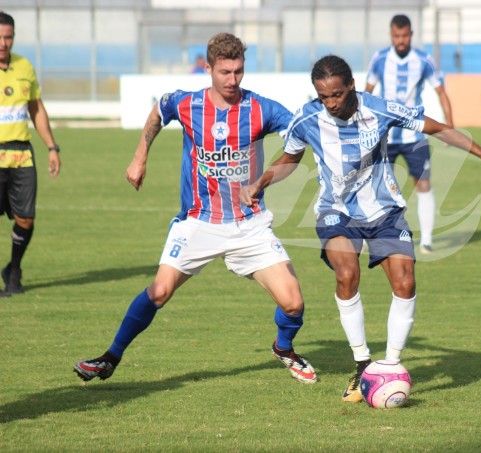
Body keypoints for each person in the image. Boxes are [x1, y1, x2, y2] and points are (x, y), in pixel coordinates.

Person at [241, 55, 481, 403]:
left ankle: (389, 365)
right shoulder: (308, 118)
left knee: (405, 281)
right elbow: (289, 160)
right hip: (336, 211)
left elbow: (438, 128)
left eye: (337, 95)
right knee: (347, 273)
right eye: (323, 96)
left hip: (384, 210)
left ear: (352, 87)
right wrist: (264, 180)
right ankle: (362, 364)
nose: (331, 104)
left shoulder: (380, 109)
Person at [73, 33, 317, 385]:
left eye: (238, 72)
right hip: (198, 223)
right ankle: (110, 357)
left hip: (248, 225)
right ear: (208, 69)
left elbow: (297, 147)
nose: (232, 80)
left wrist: (262, 181)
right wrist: (140, 156)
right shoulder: (187, 104)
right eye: (224, 72)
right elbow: (158, 111)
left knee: (293, 303)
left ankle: (283, 348)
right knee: (159, 291)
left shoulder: (261, 108)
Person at [365, 14, 454, 254]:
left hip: (415, 136)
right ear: (391, 35)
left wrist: (449, 126)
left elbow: (441, 92)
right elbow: (367, 93)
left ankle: (426, 241)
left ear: (411, 35)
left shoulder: (424, 60)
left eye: (404, 36)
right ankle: (372, 236)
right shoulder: (380, 59)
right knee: (375, 185)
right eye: (396, 36)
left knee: (422, 184)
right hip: (385, 135)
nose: (401, 40)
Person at [0, 11, 61, 297]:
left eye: (8, 37)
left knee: (26, 218)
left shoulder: (25, 66)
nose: (3, 43)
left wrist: (51, 147)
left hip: (21, 155)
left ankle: (13, 268)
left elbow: (36, 109)